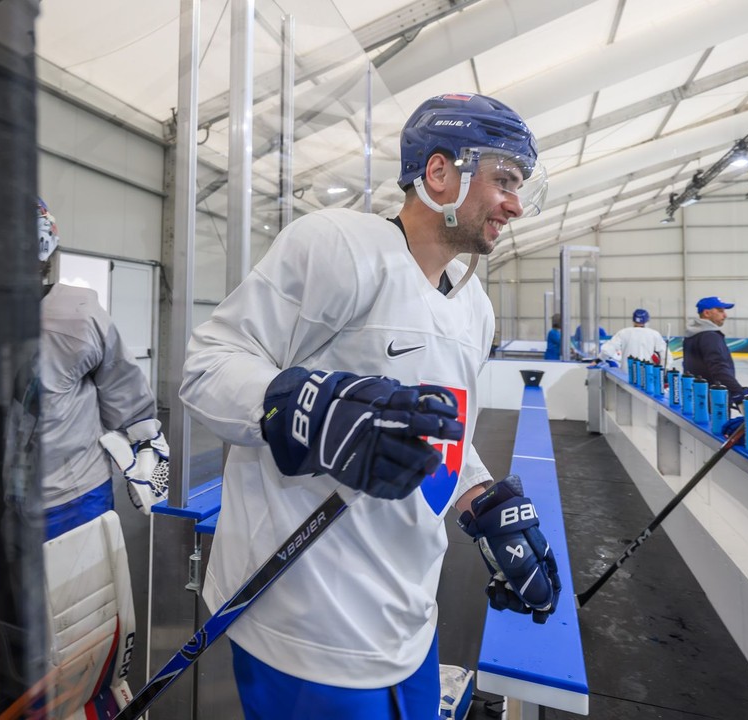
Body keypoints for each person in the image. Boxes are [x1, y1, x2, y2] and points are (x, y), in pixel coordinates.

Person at [179, 93, 561, 719]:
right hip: (308, 623)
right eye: (505, 182)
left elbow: (444, 438)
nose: (516, 205)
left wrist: (485, 502)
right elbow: (207, 369)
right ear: (440, 174)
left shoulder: (473, 305)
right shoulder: (337, 246)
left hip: (408, 616)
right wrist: (313, 410)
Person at [34, 198, 170, 715]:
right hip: (70, 506)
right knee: (81, 656)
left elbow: (129, 408)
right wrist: (145, 452)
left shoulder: (73, 313)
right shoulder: (78, 312)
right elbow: (131, 408)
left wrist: (143, 446)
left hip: (42, 509)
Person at [682, 296, 748, 403]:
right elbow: (718, 367)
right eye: (720, 311)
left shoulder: (692, 335)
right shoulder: (710, 336)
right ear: (707, 313)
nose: (725, 315)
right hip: (715, 398)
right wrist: (736, 391)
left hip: (697, 396)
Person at [599, 308, 669, 368]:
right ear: (647, 321)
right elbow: (666, 357)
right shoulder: (654, 334)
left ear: (633, 321)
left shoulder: (623, 333)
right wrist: (663, 370)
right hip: (647, 375)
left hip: (626, 376)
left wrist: (599, 359)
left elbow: (607, 350)